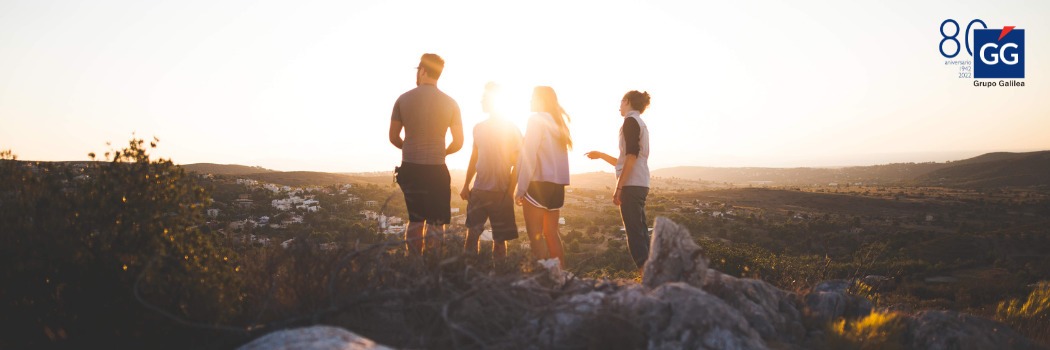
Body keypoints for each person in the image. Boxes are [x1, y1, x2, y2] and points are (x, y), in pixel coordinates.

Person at [388, 53, 464, 256]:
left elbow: (393, 137)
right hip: (436, 168)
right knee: (436, 222)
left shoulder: (403, 99)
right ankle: (433, 264)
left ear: (422, 71)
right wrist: (442, 152)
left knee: (415, 220)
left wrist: (411, 147)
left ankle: (414, 264)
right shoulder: (451, 103)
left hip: (410, 167)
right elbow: (459, 142)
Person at [585, 90, 652, 270]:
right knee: (641, 231)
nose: (619, 106)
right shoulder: (640, 123)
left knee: (634, 233)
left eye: (621, 101)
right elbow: (623, 161)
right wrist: (600, 155)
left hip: (631, 183)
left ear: (628, 101)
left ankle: (646, 275)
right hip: (641, 182)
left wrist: (619, 187)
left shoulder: (630, 122)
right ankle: (652, 273)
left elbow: (631, 156)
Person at [460, 82, 523, 259]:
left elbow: (519, 162)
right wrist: (466, 185)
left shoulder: (511, 128)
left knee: (500, 241)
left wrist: (510, 191)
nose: (481, 101)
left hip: (501, 193)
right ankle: (470, 277)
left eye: (484, 98)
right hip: (479, 191)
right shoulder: (478, 128)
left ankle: (500, 279)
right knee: (471, 237)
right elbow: (474, 158)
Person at [515, 86, 571, 266]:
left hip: (538, 184)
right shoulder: (558, 123)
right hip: (557, 187)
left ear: (540, 99)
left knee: (535, 236)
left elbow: (529, 155)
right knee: (551, 234)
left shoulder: (536, 119)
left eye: (532, 97)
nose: (530, 101)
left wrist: (521, 187)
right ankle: (561, 276)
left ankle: (541, 278)